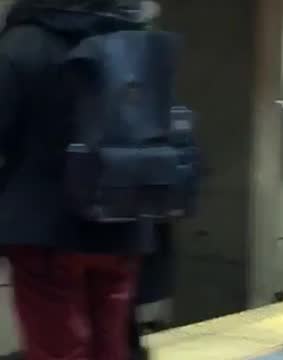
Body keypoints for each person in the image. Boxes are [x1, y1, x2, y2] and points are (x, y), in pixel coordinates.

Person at [0, 1, 158, 359]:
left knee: (57, 349)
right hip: (122, 222)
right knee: (110, 347)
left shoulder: (22, 43)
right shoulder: (136, 41)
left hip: (44, 227)